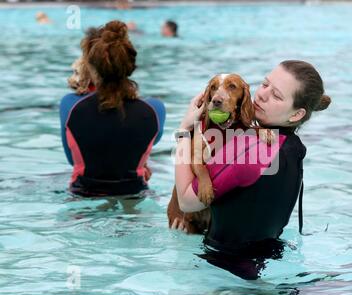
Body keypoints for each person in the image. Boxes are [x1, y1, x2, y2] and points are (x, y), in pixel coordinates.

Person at [173, 60, 331, 278]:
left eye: (276, 96)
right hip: (272, 259)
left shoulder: (250, 149)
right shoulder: (293, 147)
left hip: (223, 271)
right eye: (265, 84)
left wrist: (183, 130)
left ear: (296, 114)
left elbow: (186, 201)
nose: (263, 95)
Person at [59, 21, 166, 197]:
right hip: (135, 195)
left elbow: (73, 160)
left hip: (83, 197)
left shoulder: (70, 106)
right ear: (130, 66)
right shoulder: (154, 110)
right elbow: (141, 146)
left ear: (90, 66)